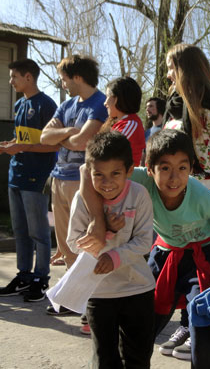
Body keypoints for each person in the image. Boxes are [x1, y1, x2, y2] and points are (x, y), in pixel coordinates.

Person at [77, 129, 210, 364]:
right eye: (165, 168)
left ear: (191, 168)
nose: (174, 178)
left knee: (203, 319)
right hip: (166, 251)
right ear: (149, 169)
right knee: (145, 318)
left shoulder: (202, 196)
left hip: (205, 252)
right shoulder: (140, 179)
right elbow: (86, 171)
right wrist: (98, 221)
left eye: (182, 168)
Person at [66, 131, 156, 368]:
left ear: (129, 170)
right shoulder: (81, 199)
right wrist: (106, 231)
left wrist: (115, 257)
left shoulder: (139, 195)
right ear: (89, 172)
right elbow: (73, 242)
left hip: (138, 289)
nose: (107, 183)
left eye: (115, 174)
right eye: (99, 175)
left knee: (138, 358)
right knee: (104, 359)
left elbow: (144, 241)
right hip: (99, 294)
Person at [41, 55, 107, 317]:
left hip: (84, 182)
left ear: (77, 77)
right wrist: (70, 132)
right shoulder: (66, 105)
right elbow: (45, 137)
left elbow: (83, 143)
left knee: (85, 243)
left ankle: (89, 299)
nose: (63, 84)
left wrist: (64, 136)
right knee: (66, 245)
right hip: (58, 179)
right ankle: (70, 298)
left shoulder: (100, 104)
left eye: (64, 79)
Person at [0, 59, 59, 302]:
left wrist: (22, 147)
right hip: (16, 176)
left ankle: (41, 279)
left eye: (14, 77)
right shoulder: (19, 104)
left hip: (36, 177)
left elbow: (53, 144)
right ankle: (24, 275)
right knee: (20, 230)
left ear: (28, 77)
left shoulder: (46, 105)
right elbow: (19, 138)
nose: (11, 81)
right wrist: (7, 146)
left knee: (38, 232)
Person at [163, 43, 210, 190]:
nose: (168, 75)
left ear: (185, 70)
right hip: (169, 189)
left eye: (171, 68)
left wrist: (202, 160)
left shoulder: (206, 108)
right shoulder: (173, 105)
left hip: (200, 190)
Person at [101, 75, 146, 166]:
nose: (105, 103)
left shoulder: (131, 124)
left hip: (127, 177)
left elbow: (105, 153)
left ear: (117, 98)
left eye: (107, 97)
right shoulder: (117, 123)